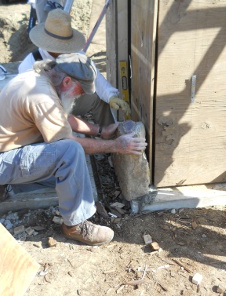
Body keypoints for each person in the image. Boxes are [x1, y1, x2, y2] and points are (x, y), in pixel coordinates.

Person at [0, 53, 147, 246]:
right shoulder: (42, 96)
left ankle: (12, 185)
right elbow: (69, 141)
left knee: (72, 169)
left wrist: (100, 131)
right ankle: (75, 225)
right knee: (71, 151)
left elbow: (61, 117)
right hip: (3, 160)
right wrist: (116, 146)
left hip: (8, 153)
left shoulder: (40, 78)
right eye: (81, 90)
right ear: (67, 80)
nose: (82, 95)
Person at [19, 8, 130, 126]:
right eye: (59, 47)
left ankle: (112, 137)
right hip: (43, 109)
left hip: (68, 99)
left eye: (65, 46)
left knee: (97, 99)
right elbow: (30, 103)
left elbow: (93, 75)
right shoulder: (28, 65)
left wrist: (110, 96)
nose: (64, 51)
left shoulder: (74, 53)